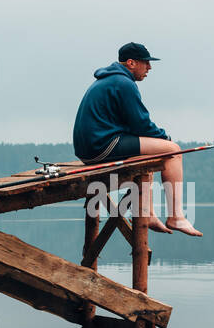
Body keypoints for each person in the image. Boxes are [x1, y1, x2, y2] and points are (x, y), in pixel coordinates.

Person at [72, 43, 202, 236]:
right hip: (103, 145)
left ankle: (147, 214)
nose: (149, 68)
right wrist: (165, 137)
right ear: (131, 63)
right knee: (174, 151)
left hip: (90, 149)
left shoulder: (110, 80)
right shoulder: (124, 84)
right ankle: (176, 217)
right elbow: (141, 124)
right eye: (146, 63)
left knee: (146, 159)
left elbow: (133, 125)